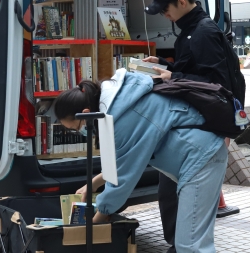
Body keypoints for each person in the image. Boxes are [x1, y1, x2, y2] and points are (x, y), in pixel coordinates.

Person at [54, 74, 228, 253]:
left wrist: (92, 223)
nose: (82, 132)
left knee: (191, 245)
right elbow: (125, 159)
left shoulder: (121, 119)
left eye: (77, 127)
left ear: (85, 113)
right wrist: (94, 184)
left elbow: (123, 178)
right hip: (199, 157)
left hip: (201, 159)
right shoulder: (119, 103)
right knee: (190, 243)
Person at [142, 0, 245, 252]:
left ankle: (181, 245)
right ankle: (179, 244)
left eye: (166, 10)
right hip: (192, 124)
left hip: (203, 127)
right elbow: (196, 69)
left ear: (182, 3)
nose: (165, 16)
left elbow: (215, 83)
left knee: (181, 195)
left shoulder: (203, 32)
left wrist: (172, 74)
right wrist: (163, 65)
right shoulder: (191, 30)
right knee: (172, 192)